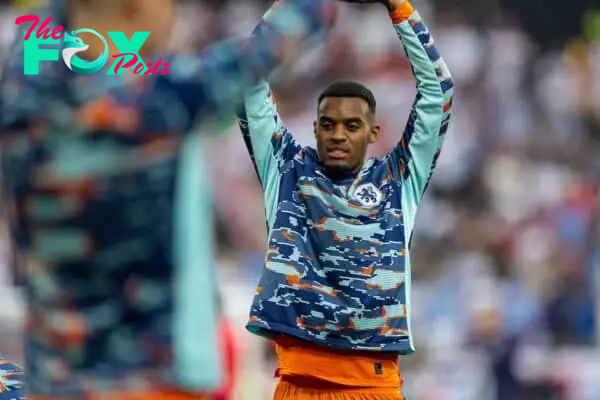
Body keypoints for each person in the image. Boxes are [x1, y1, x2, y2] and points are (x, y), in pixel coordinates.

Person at [0, 0, 337, 398]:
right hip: (151, 383)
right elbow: (285, 32)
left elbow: (40, 36)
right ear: (138, 8)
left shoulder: (23, 105)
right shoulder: (158, 104)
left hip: (55, 383)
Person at [237, 0, 454, 398]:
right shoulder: (287, 170)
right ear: (315, 129)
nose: (339, 134)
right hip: (298, 384)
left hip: (373, 386)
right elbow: (246, 79)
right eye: (329, 125)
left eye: (352, 125)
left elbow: (438, 93)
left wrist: (399, 8)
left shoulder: (397, 178)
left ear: (373, 132)